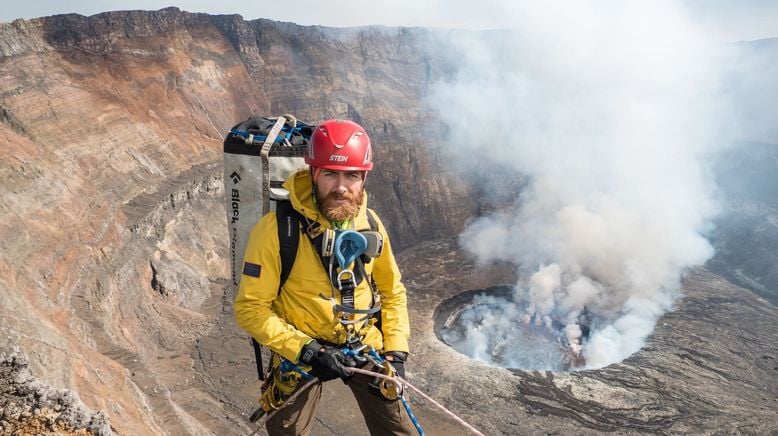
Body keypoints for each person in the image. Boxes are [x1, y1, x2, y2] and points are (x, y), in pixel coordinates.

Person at [234, 119, 415, 435]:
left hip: (362, 343)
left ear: (364, 179)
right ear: (313, 173)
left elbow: (392, 291)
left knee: (400, 431)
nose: (341, 187)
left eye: (351, 176)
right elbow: (251, 310)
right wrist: (308, 350)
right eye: (331, 174)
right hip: (300, 351)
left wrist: (396, 351)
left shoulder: (369, 223)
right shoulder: (277, 229)